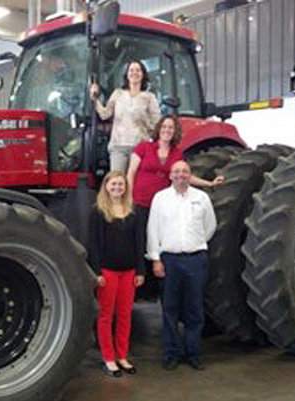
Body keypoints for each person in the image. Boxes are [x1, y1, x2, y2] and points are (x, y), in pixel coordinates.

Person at [126, 115, 223, 298]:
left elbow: (184, 175)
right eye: (164, 127)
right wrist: (129, 198)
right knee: (140, 242)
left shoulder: (176, 153)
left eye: (171, 128)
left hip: (163, 205)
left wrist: (209, 184)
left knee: (161, 242)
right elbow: (131, 172)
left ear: (175, 132)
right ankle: (140, 285)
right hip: (141, 201)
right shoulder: (144, 147)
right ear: (158, 129)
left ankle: (157, 286)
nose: (167, 130)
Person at [147, 160, 217, 371]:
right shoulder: (160, 199)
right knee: (169, 309)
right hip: (170, 260)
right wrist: (156, 259)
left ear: (190, 175)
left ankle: (193, 353)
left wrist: (196, 244)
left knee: (195, 309)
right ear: (170, 175)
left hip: (196, 260)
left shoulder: (201, 198)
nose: (181, 175)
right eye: (176, 171)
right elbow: (153, 230)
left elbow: (210, 226)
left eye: (185, 171)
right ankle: (171, 354)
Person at [88, 171, 146, 377]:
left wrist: (140, 271)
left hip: (129, 272)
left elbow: (140, 243)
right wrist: (96, 272)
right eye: (113, 184)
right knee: (105, 316)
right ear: (106, 186)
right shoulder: (98, 212)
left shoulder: (133, 211)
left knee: (125, 315)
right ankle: (109, 358)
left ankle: (122, 356)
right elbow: (92, 245)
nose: (117, 188)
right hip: (107, 272)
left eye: (120, 185)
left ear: (125, 187)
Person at [89, 59, 161, 172]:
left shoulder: (149, 97)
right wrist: (94, 98)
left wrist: (150, 137)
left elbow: (156, 121)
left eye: (138, 70)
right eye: (131, 70)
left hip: (140, 147)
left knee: (136, 182)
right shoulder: (118, 94)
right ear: (127, 75)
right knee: (117, 180)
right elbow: (105, 114)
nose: (134, 73)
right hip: (118, 146)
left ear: (143, 75)